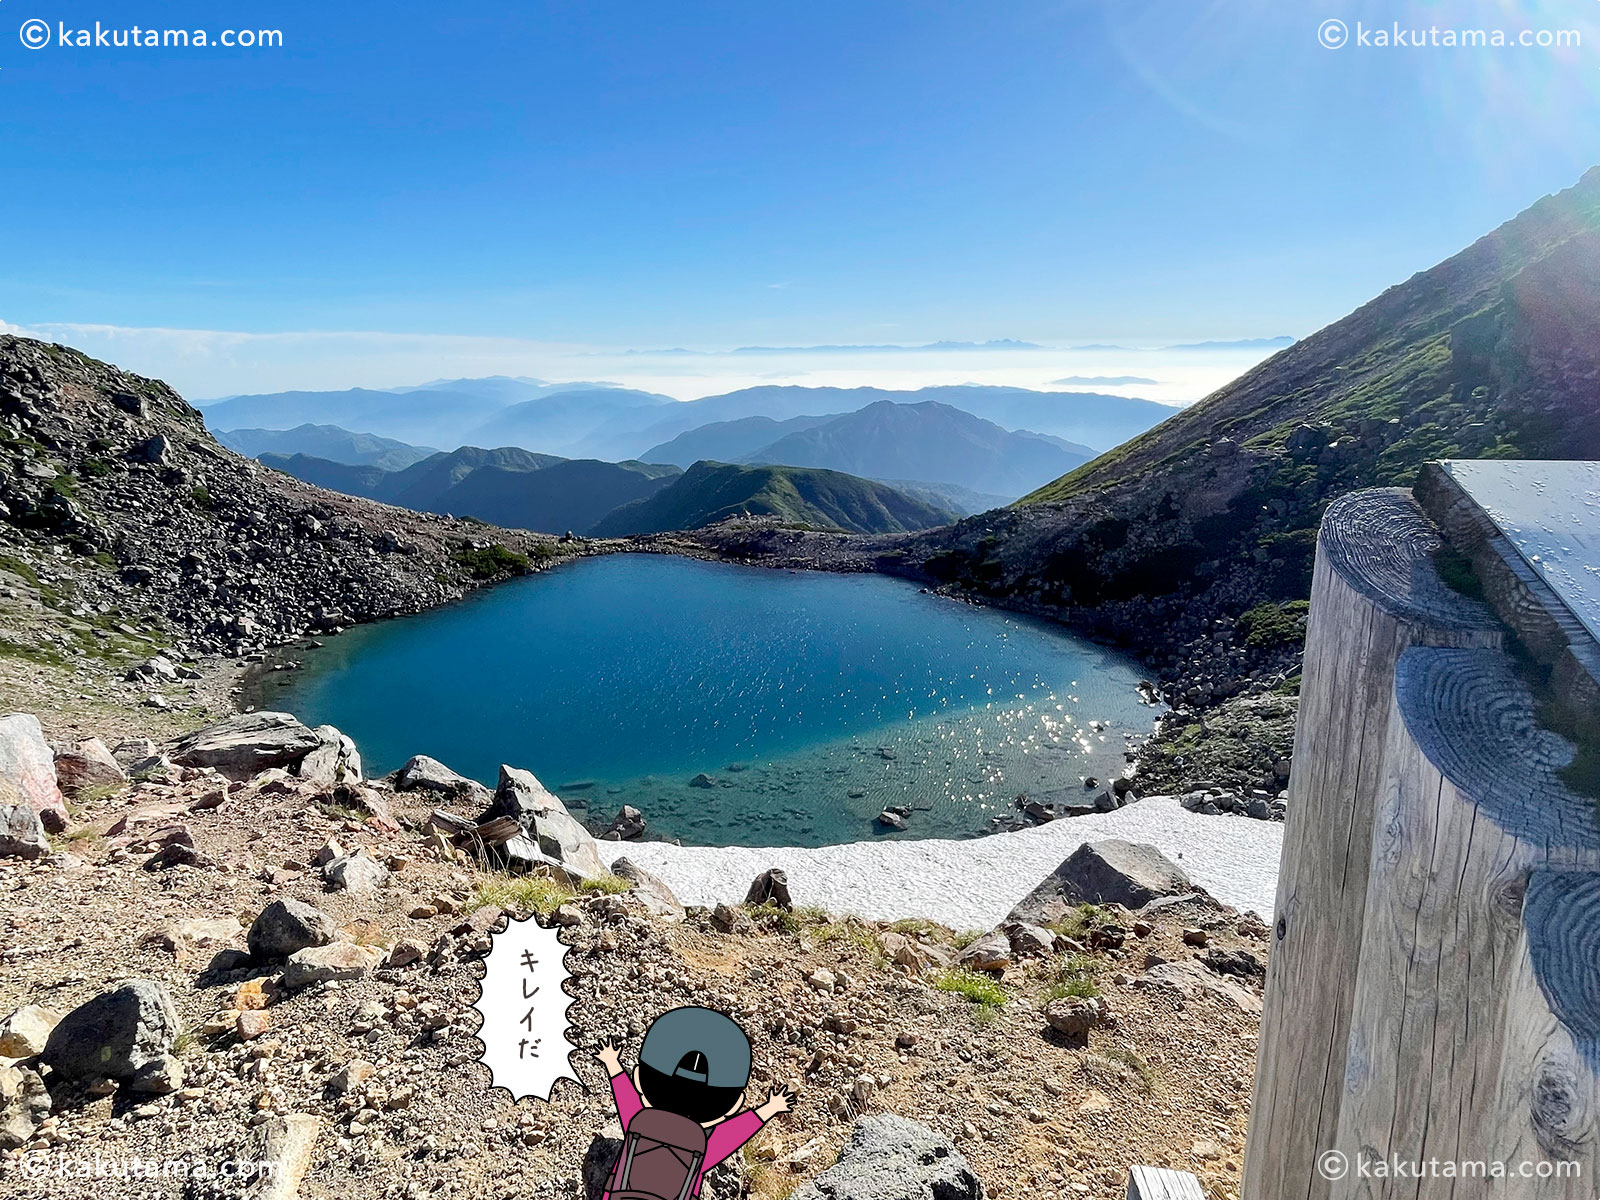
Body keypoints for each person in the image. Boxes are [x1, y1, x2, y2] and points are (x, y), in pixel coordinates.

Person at [596, 1006, 794, 1200]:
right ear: (735, 1105)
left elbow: (626, 1101)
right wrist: (770, 1108)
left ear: (639, 1078)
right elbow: (733, 1134)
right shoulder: (701, 1144)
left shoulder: (638, 1121)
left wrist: (612, 1063)